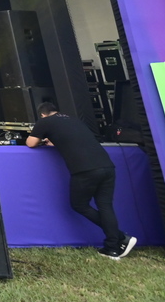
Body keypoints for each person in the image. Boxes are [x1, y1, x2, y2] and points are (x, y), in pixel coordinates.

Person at [27, 102, 137, 259]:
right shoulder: (74, 120)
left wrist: (42, 139)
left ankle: (120, 237)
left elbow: (30, 143)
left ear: (42, 114)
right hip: (107, 166)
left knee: (79, 205)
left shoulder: (44, 122)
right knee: (106, 206)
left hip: (85, 170)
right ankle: (112, 248)